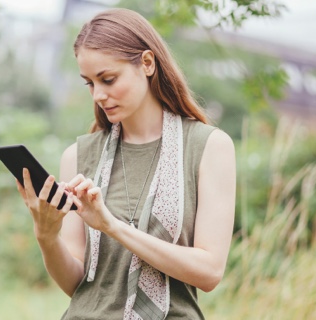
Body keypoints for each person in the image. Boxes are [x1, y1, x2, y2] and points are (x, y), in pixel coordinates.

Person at [16, 8, 235, 320]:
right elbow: (78, 285)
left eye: (108, 79)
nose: (99, 95)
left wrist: (111, 226)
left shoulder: (208, 147)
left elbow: (210, 272)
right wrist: (46, 235)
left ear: (147, 63)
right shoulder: (78, 156)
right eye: (89, 83)